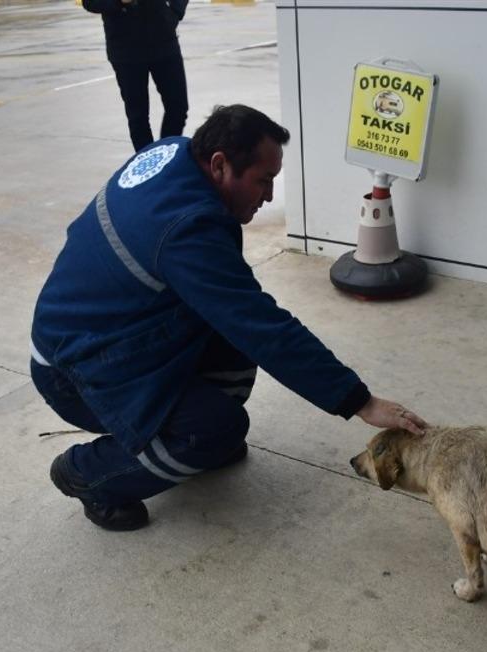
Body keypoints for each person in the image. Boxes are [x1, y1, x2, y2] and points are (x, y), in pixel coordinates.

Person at [30, 104, 428, 531]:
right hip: (77, 371)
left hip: (112, 335)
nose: (269, 196)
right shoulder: (186, 229)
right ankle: (88, 474)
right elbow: (263, 328)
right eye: (263, 180)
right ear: (219, 165)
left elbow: (245, 320)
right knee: (217, 426)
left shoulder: (177, 153)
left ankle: (195, 442)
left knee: (233, 347)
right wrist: (361, 402)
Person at [82, 0, 189, 152]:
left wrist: (174, 14)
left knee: (178, 108)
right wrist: (118, 2)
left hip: (164, 41)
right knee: (138, 117)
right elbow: (90, 3)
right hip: (124, 49)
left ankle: (166, 156)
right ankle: (147, 162)